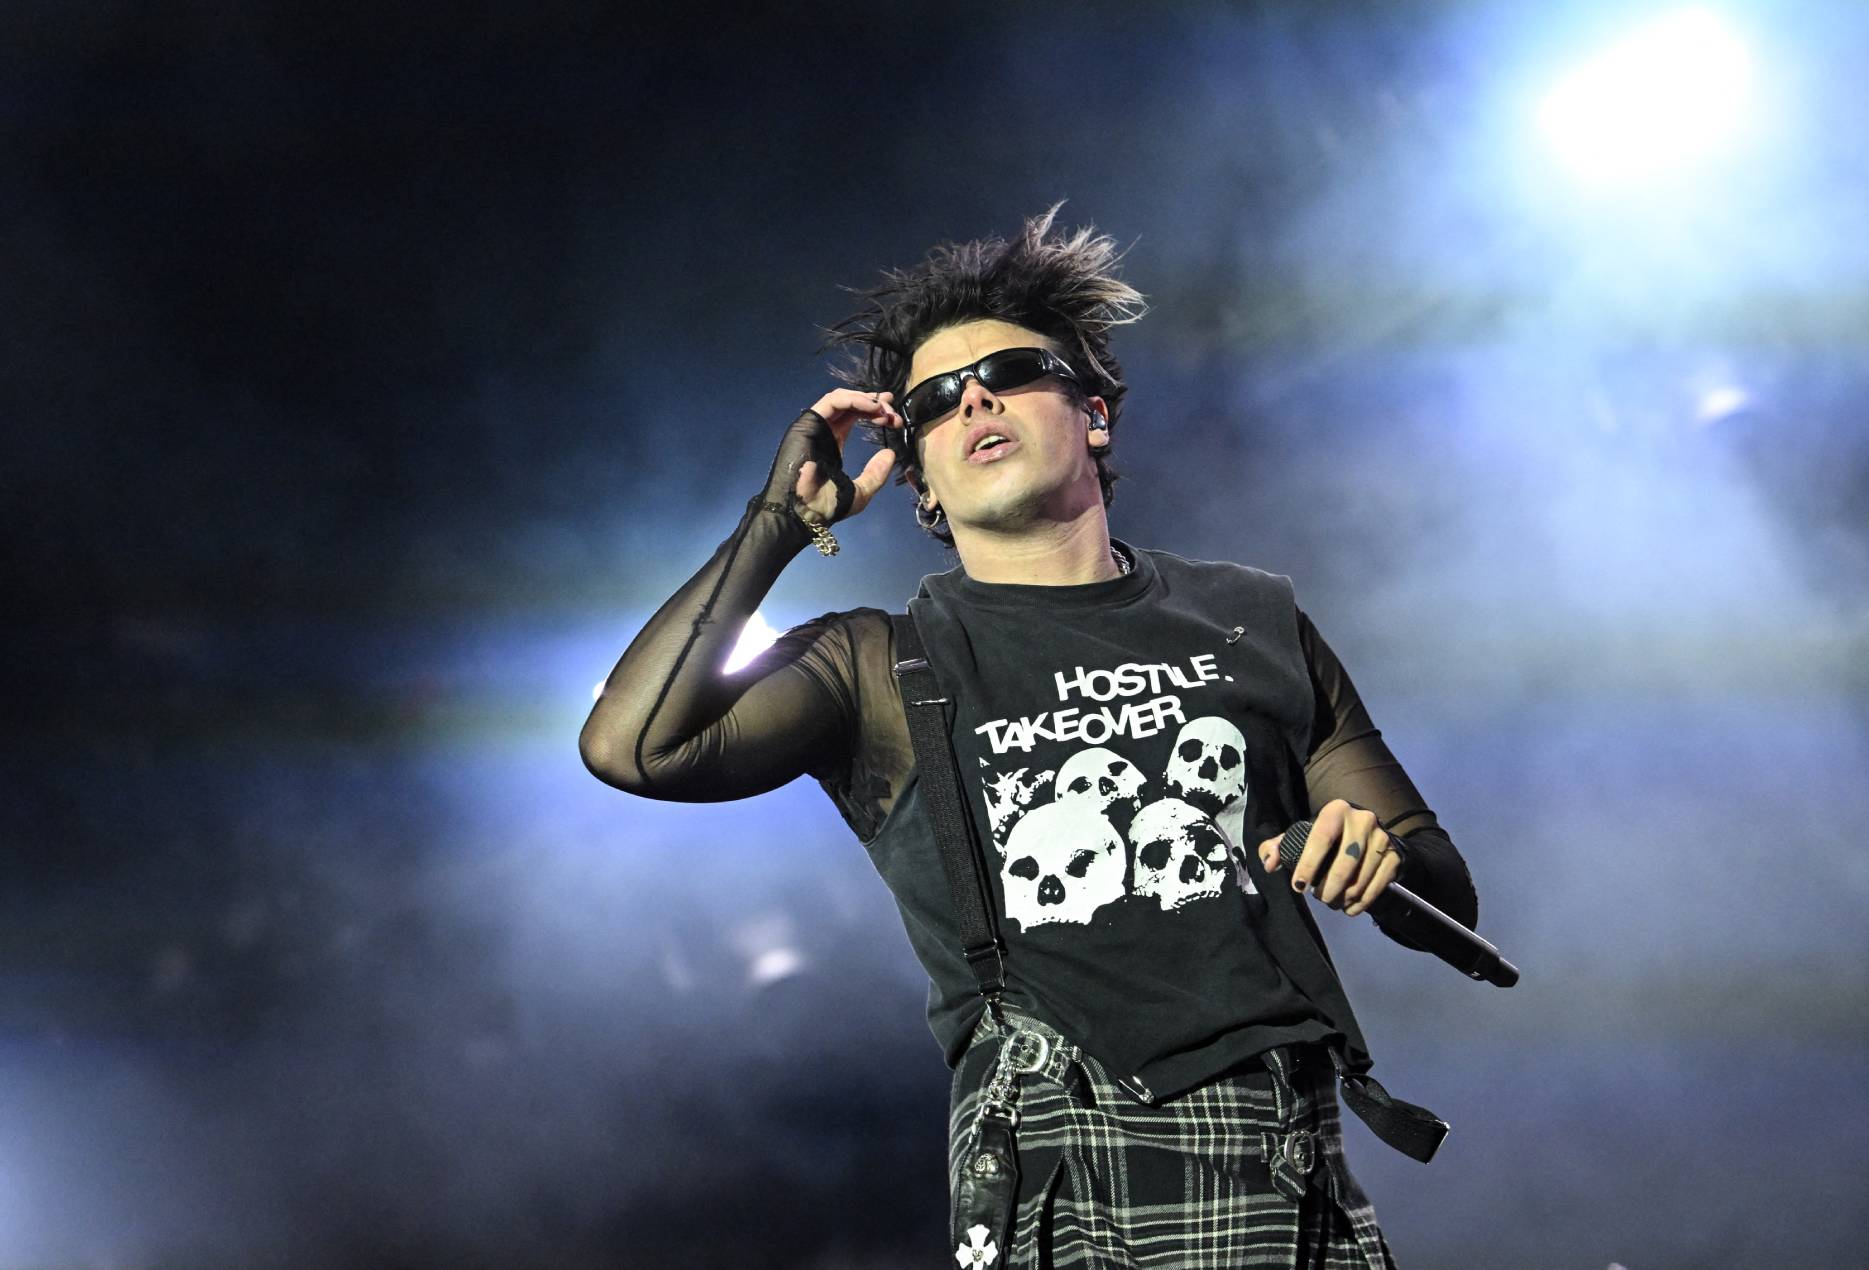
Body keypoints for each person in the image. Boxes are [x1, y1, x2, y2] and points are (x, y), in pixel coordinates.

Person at [579, 204, 1478, 1269]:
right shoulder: (877, 664)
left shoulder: (1250, 614)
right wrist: (778, 522)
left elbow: (1445, 895)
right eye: (930, 403)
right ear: (914, 477)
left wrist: (1379, 863)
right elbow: (631, 748)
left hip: (1287, 1167)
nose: (971, 400)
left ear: (1092, 411)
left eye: (1008, 371)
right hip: (1059, 1175)